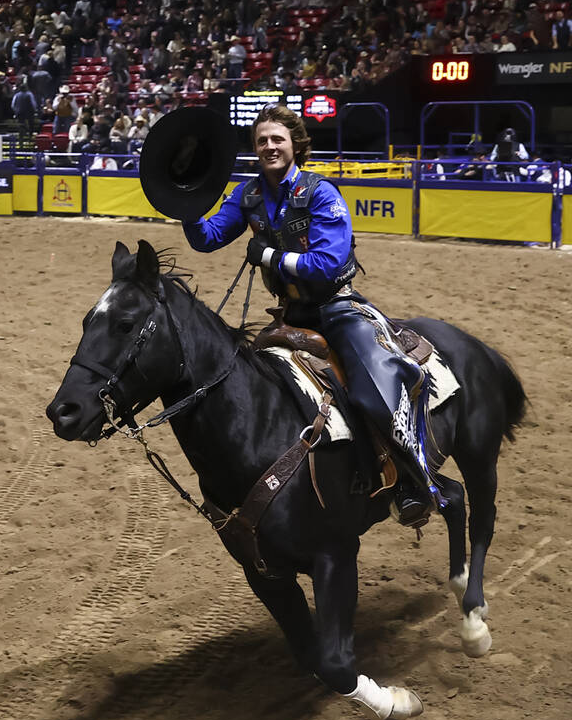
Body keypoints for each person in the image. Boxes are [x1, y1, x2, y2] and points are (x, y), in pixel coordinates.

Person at [182, 105, 436, 527]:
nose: (269, 146)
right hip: (289, 315)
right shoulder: (248, 195)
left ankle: (413, 482)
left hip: (337, 310)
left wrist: (270, 255)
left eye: (277, 139)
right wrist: (187, 203)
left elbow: (329, 261)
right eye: (262, 140)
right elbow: (207, 239)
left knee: (375, 388)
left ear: (295, 145)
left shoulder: (321, 193)